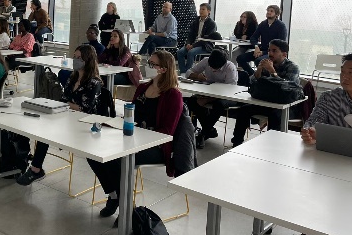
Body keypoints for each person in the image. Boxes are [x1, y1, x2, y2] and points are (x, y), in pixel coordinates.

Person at [281, 52, 352, 235]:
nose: (344, 77)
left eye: (351, 72)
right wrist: (309, 133)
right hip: (329, 159)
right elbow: (311, 122)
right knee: (309, 181)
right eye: (342, 72)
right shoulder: (330, 98)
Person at [87, 50, 184, 218]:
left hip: (156, 145)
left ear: (164, 69)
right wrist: (116, 123)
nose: (148, 67)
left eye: (153, 64)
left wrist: (139, 135)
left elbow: (167, 131)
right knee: (93, 152)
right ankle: (114, 195)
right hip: (133, 136)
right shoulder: (144, 87)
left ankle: (126, 208)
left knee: (118, 158)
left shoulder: (173, 95)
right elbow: (131, 114)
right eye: (149, 63)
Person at [16, 45, 103, 185]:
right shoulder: (72, 78)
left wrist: (67, 105)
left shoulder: (94, 83)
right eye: (74, 57)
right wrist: (65, 105)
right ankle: (31, 166)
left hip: (82, 123)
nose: (75, 60)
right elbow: (64, 99)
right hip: (67, 117)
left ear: (88, 60)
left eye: (79, 58)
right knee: (40, 125)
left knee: (47, 131)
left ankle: (35, 169)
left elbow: (86, 109)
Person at [231, 39, 300, 147]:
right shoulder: (267, 63)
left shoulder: (293, 67)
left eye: (274, 51)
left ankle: (271, 146)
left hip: (287, 106)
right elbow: (252, 82)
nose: (270, 53)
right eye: (269, 50)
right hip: (269, 101)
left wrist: (272, 72)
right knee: (244, 109)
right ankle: (236, 142)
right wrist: (258, 71)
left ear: (284, 54)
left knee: (275, 115)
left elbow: (287, 86)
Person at [185, 49, 238, 149]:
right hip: (208, 93)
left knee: (219, 105)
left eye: (216, 69)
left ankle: (203, 133)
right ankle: (209, 130)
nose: (213, 70)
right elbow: (188, 72)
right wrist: (197, 76)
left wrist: (209, 99)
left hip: (226, 96)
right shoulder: (206, 61)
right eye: (211, 67)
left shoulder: (230, 67)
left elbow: (231, 90)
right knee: (191, 101)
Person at [237, 5, 287, 75]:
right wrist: (256, 47)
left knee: (259, 61)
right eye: (268, 11)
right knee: (240, 58)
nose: (268, 12)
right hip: (260, 50)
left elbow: (281, 44)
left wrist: (263, 53)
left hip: (273, 53)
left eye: (271, 11)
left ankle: (263, 78)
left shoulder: (281, 26)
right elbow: (253, 37)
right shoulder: (263, 24)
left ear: (276, 14)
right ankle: (253, 75)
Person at [177, 3, 217, 74]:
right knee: (180, 52)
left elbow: (206, 39)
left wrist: (193, 46)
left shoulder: (212, 24)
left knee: (191, 52)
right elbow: (190, 34)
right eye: (200, 9)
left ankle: (189, 73)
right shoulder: (196, 21)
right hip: (193, 44)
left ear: (209, 11)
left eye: (203, 9)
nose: (201, 11)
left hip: (205, 45)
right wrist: (188, 43)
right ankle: (183, 72)